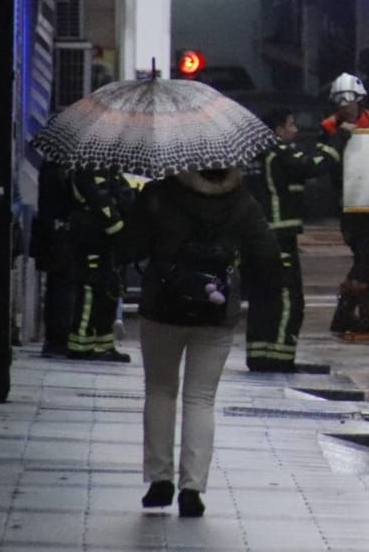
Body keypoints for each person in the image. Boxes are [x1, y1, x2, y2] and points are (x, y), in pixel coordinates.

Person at [120, 164, 280, 518]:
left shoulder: (159, 194)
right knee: (201, 399)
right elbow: (267, 254)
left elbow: (128, 247)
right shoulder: (242, 200)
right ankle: (192, 488)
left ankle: (159, 479)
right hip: (216, 310)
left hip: (163, 306)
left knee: (160, 391)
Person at [245, 108, 334, 372]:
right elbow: (314, 166)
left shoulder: (252, 156)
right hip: (278, 238)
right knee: (287, 300)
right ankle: (280, 359)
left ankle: (259, 355)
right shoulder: (278, 154)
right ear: (278, 130)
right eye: (291, 125)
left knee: (262, 299)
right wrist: (333, 141)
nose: (295, 130)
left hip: (256, 238)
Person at [318, 73, 369, 334]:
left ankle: (360, 311)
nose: (346, 107)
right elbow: (328, 162)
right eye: (341, 103)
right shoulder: (328, 128)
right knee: (365, 259)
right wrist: (342, 136)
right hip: (351, 204)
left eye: (350, 102)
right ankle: (350, 311)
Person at [66, 169, 133, 362]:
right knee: (90, 287)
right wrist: (118, 227)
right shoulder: (87, 169)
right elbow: (99, 200)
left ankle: (104, 345)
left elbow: (123, 196)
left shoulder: (111, 171)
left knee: (108, 290)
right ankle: (80, 344)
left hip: (105, 240)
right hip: (91, 236)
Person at [35, 161, 75, 358]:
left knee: (57, 288)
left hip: (54, 237)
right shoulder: (57, 170)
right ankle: (57, 339)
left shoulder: (52, 167)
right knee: (61, 289)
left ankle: (56, 338)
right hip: (59, 239)